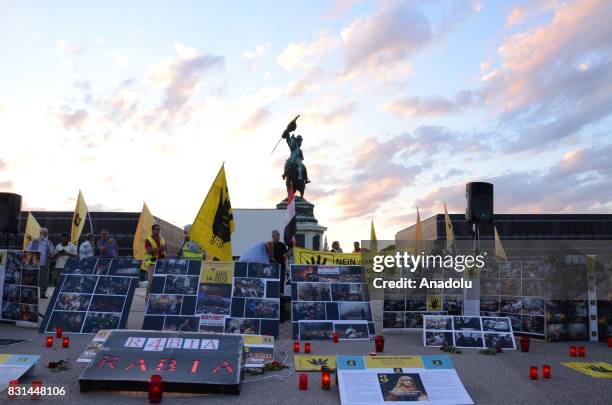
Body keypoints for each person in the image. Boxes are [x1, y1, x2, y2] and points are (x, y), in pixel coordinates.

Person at [28, 227, 54, 298]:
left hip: (45, 264)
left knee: (44, 280)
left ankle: (43, 294)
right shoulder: (34, 241)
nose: (44, 234)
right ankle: (32, 294)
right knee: (33, 279)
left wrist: (51, 255)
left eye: (46, 233)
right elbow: (28, 251)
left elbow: (52, 253)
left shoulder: (49, 242)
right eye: (43, 232)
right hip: (35, 264)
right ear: (40, 233)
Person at [144, 224, 167, 293]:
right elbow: (149, 251)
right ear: (152, 230)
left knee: (160, 280)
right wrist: (160, 249)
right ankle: (147, 298)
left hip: (161, 263)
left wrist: (165, 257)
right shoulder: (148, 240)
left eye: (159, 229)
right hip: (152, 263)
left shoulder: (162, 239)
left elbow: (165, 250)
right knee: (151, 281)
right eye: (156, 229)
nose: (158, 231)